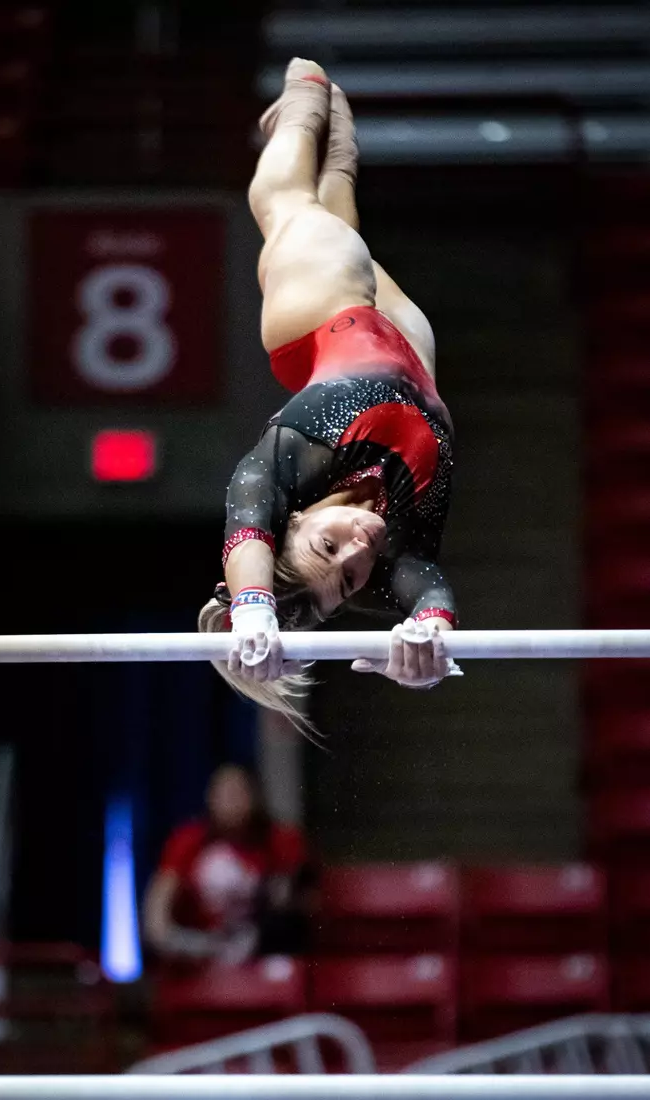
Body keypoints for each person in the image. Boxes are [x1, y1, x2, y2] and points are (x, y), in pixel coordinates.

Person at [199, 60, 462, 727]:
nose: (356, 550)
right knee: (346, 233)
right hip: (405, 345)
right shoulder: (395, 538)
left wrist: (254, 603)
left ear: (298, 518)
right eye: (348, 577)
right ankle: (339, 151)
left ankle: (303, 99)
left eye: (326, 546)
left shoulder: (303, 455)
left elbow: (247, 502)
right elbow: (420, 575)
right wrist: (430, 628)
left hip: (318, 320)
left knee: (282, 205)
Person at [143, 764, 314, 966]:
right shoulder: (186, 841)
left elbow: (304, 903)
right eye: (223, 793)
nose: (231, 801)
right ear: (209, 797)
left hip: (260, 951)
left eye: (238, 792)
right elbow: (157, 914)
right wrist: (187, 944)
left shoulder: (282, 841)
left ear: (256, 797)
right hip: (199, 951)